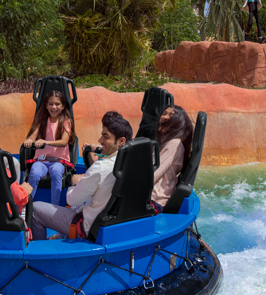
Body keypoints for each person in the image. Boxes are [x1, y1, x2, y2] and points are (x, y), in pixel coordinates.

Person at [31, 112, 133, 241]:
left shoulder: (100, 168)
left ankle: (41, 254)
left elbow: (72, 200)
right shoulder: (133, 165)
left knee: (35, 209)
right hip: (115, 224)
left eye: (105, 136)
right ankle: (61, 235)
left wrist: (75, 183)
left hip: (89, 228)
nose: (100, 140)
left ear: (121, 141)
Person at [23, 90, 75, 205]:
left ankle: (54, 207)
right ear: (46, 105)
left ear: (62, 106)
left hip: (58, 161)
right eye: (51, 104)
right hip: (41, 160)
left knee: (57, 172)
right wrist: (29, 141)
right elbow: (32, 136)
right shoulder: (42, 121)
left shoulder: (66, 122)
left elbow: (64, 142)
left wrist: (45, 142)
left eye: (57, 104)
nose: (54, 107)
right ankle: (27, 206)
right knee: (35, 172)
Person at [151, 106, 193, 213]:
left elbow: (154, 174)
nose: (164, 117)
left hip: (155, 200)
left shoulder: (174, 144)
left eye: (171, 116)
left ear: (178, 123)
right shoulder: (165, 142)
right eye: (164, 113)